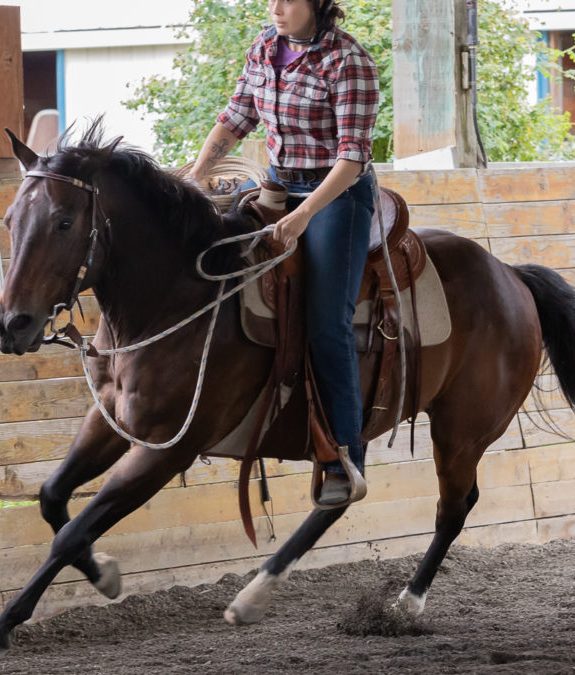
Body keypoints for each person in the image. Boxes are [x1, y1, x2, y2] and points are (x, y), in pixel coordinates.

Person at [187, 0, 379, 505]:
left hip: (336, 194)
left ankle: (345, 457)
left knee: (326, 321)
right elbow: (235, 119)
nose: (275, 7)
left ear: (317, 3)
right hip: (277, 183)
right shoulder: (264, 48)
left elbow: (353, 157)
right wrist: (194, 176)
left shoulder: (347, 61)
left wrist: (302, 216)